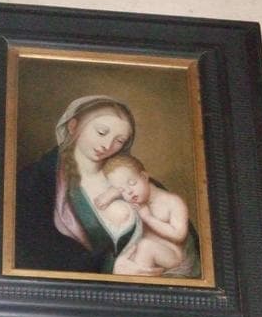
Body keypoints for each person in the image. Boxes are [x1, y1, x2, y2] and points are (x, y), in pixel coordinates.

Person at [15, 95, 163, 275]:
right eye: (101, 132)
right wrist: (109, 267)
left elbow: (180, 239)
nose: (107, 145)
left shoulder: (137, 182)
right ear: (73, 126)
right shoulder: (36, 180)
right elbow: (29, 251)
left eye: (119, 141)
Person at [96, 154, 189, 273]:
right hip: (143, 253)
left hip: (171, 255)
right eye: (122, 190)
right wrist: (111, 194)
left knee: (145, 246)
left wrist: (148, 218)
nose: (129, 192)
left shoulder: (172, 201)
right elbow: (101, 201)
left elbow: (179, 234)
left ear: (144, 176)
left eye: (132, 183)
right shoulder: (133, 198)